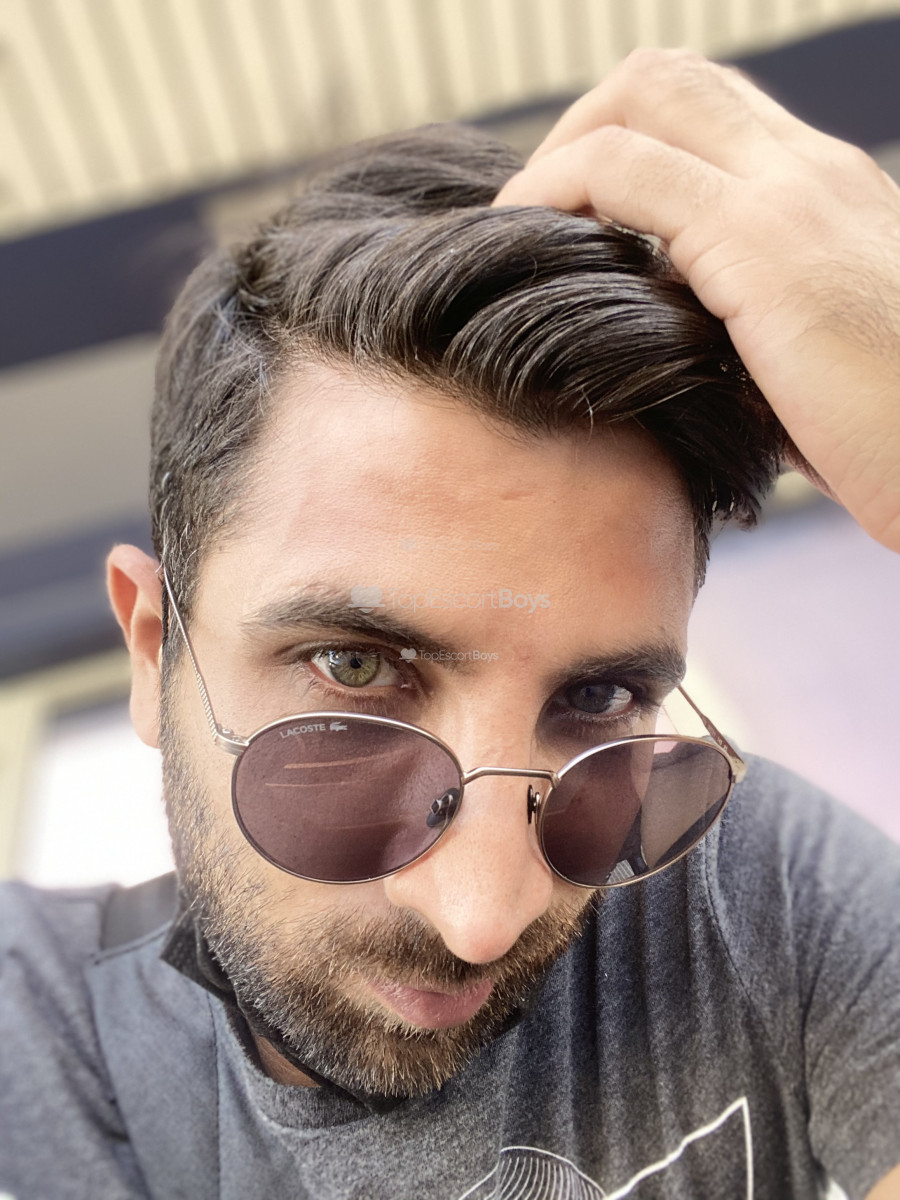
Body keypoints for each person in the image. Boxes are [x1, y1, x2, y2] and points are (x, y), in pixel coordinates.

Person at [1, 49, 898, 1200]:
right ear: (151, 647)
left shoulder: (754, 895)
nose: (484, 918)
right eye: (354, 668)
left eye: (599, 699)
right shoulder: (38, 1040)